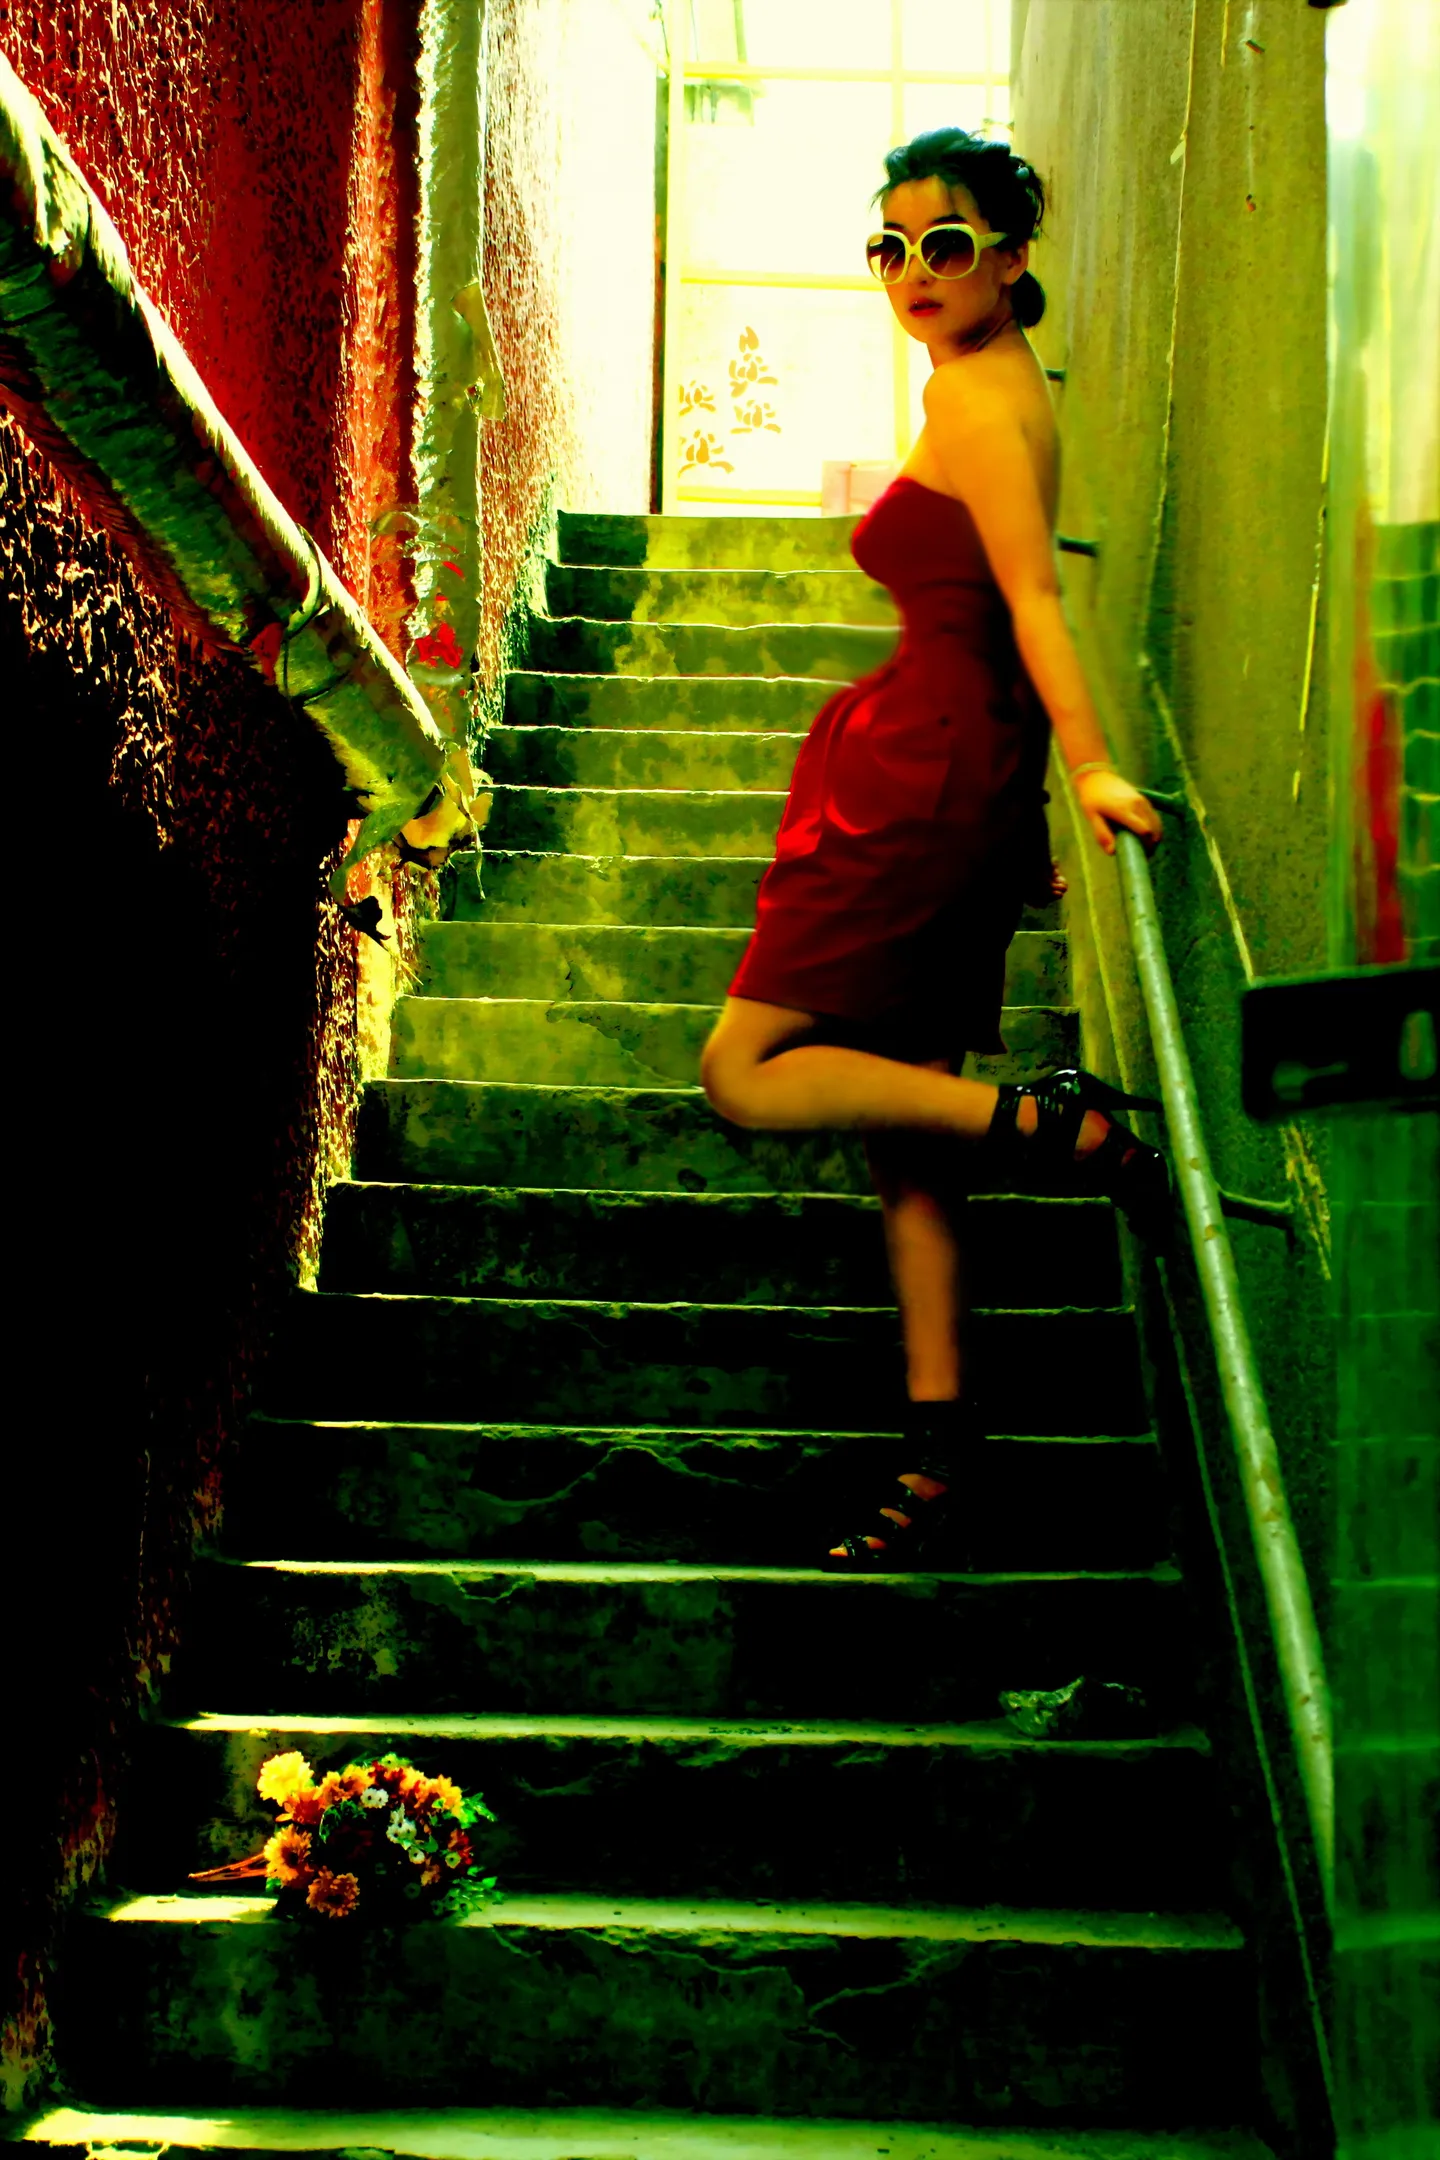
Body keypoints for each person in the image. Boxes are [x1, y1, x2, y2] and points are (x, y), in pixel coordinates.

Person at [700, 128, 1166, 1572]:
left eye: (945, 244)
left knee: (742, 1070)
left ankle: (1054, 1125)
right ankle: (940, 1461)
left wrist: (1088, 764)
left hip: (920, 777)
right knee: (910, 1151)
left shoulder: (977, 400)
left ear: (1010, 259)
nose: (913, 270)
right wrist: (1023, 811)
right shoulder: (989, 382)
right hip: (953, 770)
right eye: (889, 247)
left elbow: (1032, 602)